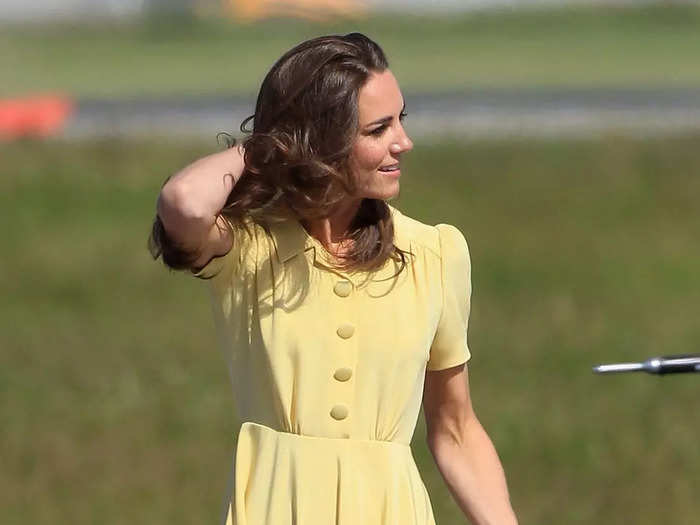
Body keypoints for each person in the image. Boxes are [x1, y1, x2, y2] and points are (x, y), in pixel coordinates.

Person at [149, 32, 518, 525]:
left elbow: (455, 430)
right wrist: (273, 146)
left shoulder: (435, 253)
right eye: (378, 129)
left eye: (400, 120)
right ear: (321, 141)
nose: (403, 142)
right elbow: (184, 203)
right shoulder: (249, 248)